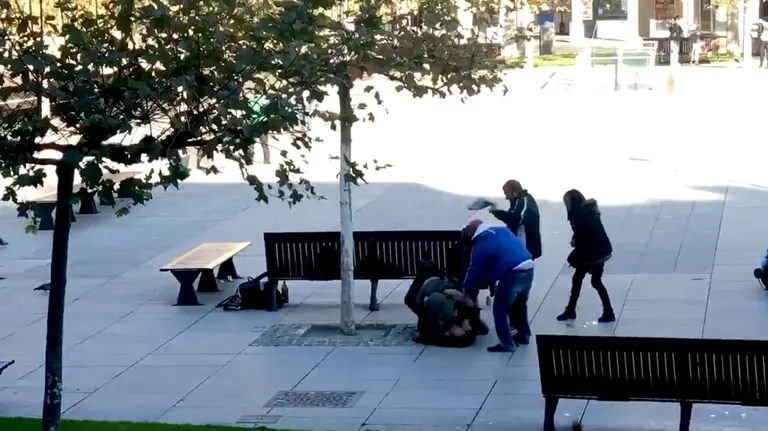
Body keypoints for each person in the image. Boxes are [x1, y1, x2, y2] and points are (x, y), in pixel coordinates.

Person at [461, 219, 534, 352]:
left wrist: (466, 290)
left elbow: (474, 271)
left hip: (512, 271)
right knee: (520, 304)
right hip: (528, 264)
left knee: (500, 309)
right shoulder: (501, 230)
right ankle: (524, 335)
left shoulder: (481, 244)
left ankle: (507, 343)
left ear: (472, 233)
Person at [488, 180, 541, 345]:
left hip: (521, 256)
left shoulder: (524, 201)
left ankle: (517, 330)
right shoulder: (519, 202)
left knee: (513, 296)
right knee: (519, 297)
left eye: (506, 193)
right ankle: (521, 330)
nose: (505, 196)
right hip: (520, 254)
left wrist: (497, 213)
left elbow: (517, 219)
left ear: (514, 191)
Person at [557, 189, 615, 323]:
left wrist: (577, 258)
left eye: (566, 202)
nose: (566, 205)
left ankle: (572, 310)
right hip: (602, 249)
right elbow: (586, 233)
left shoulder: (579, 216)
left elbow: (584, 238)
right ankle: (607, 311)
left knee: (582, 279)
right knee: (591, 280)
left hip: (594, 252)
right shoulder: (588, 211)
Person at [411, 276, 481, 348]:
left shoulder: (437, 330)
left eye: (462, 333)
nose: (461, 329)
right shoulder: (463, 322)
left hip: (427, 288)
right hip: (445, 282)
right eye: (466, 331)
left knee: (410, 299)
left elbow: (425, 334)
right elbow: (472, 308)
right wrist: (467, 320)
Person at [247, 94, 272, 164]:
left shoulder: (251, 99)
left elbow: (248, 111)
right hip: (263, 122)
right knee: (265, 144)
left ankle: (250, 160)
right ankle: (266, 161)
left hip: (253, 122)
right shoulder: (266, 100)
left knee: (251, 143)